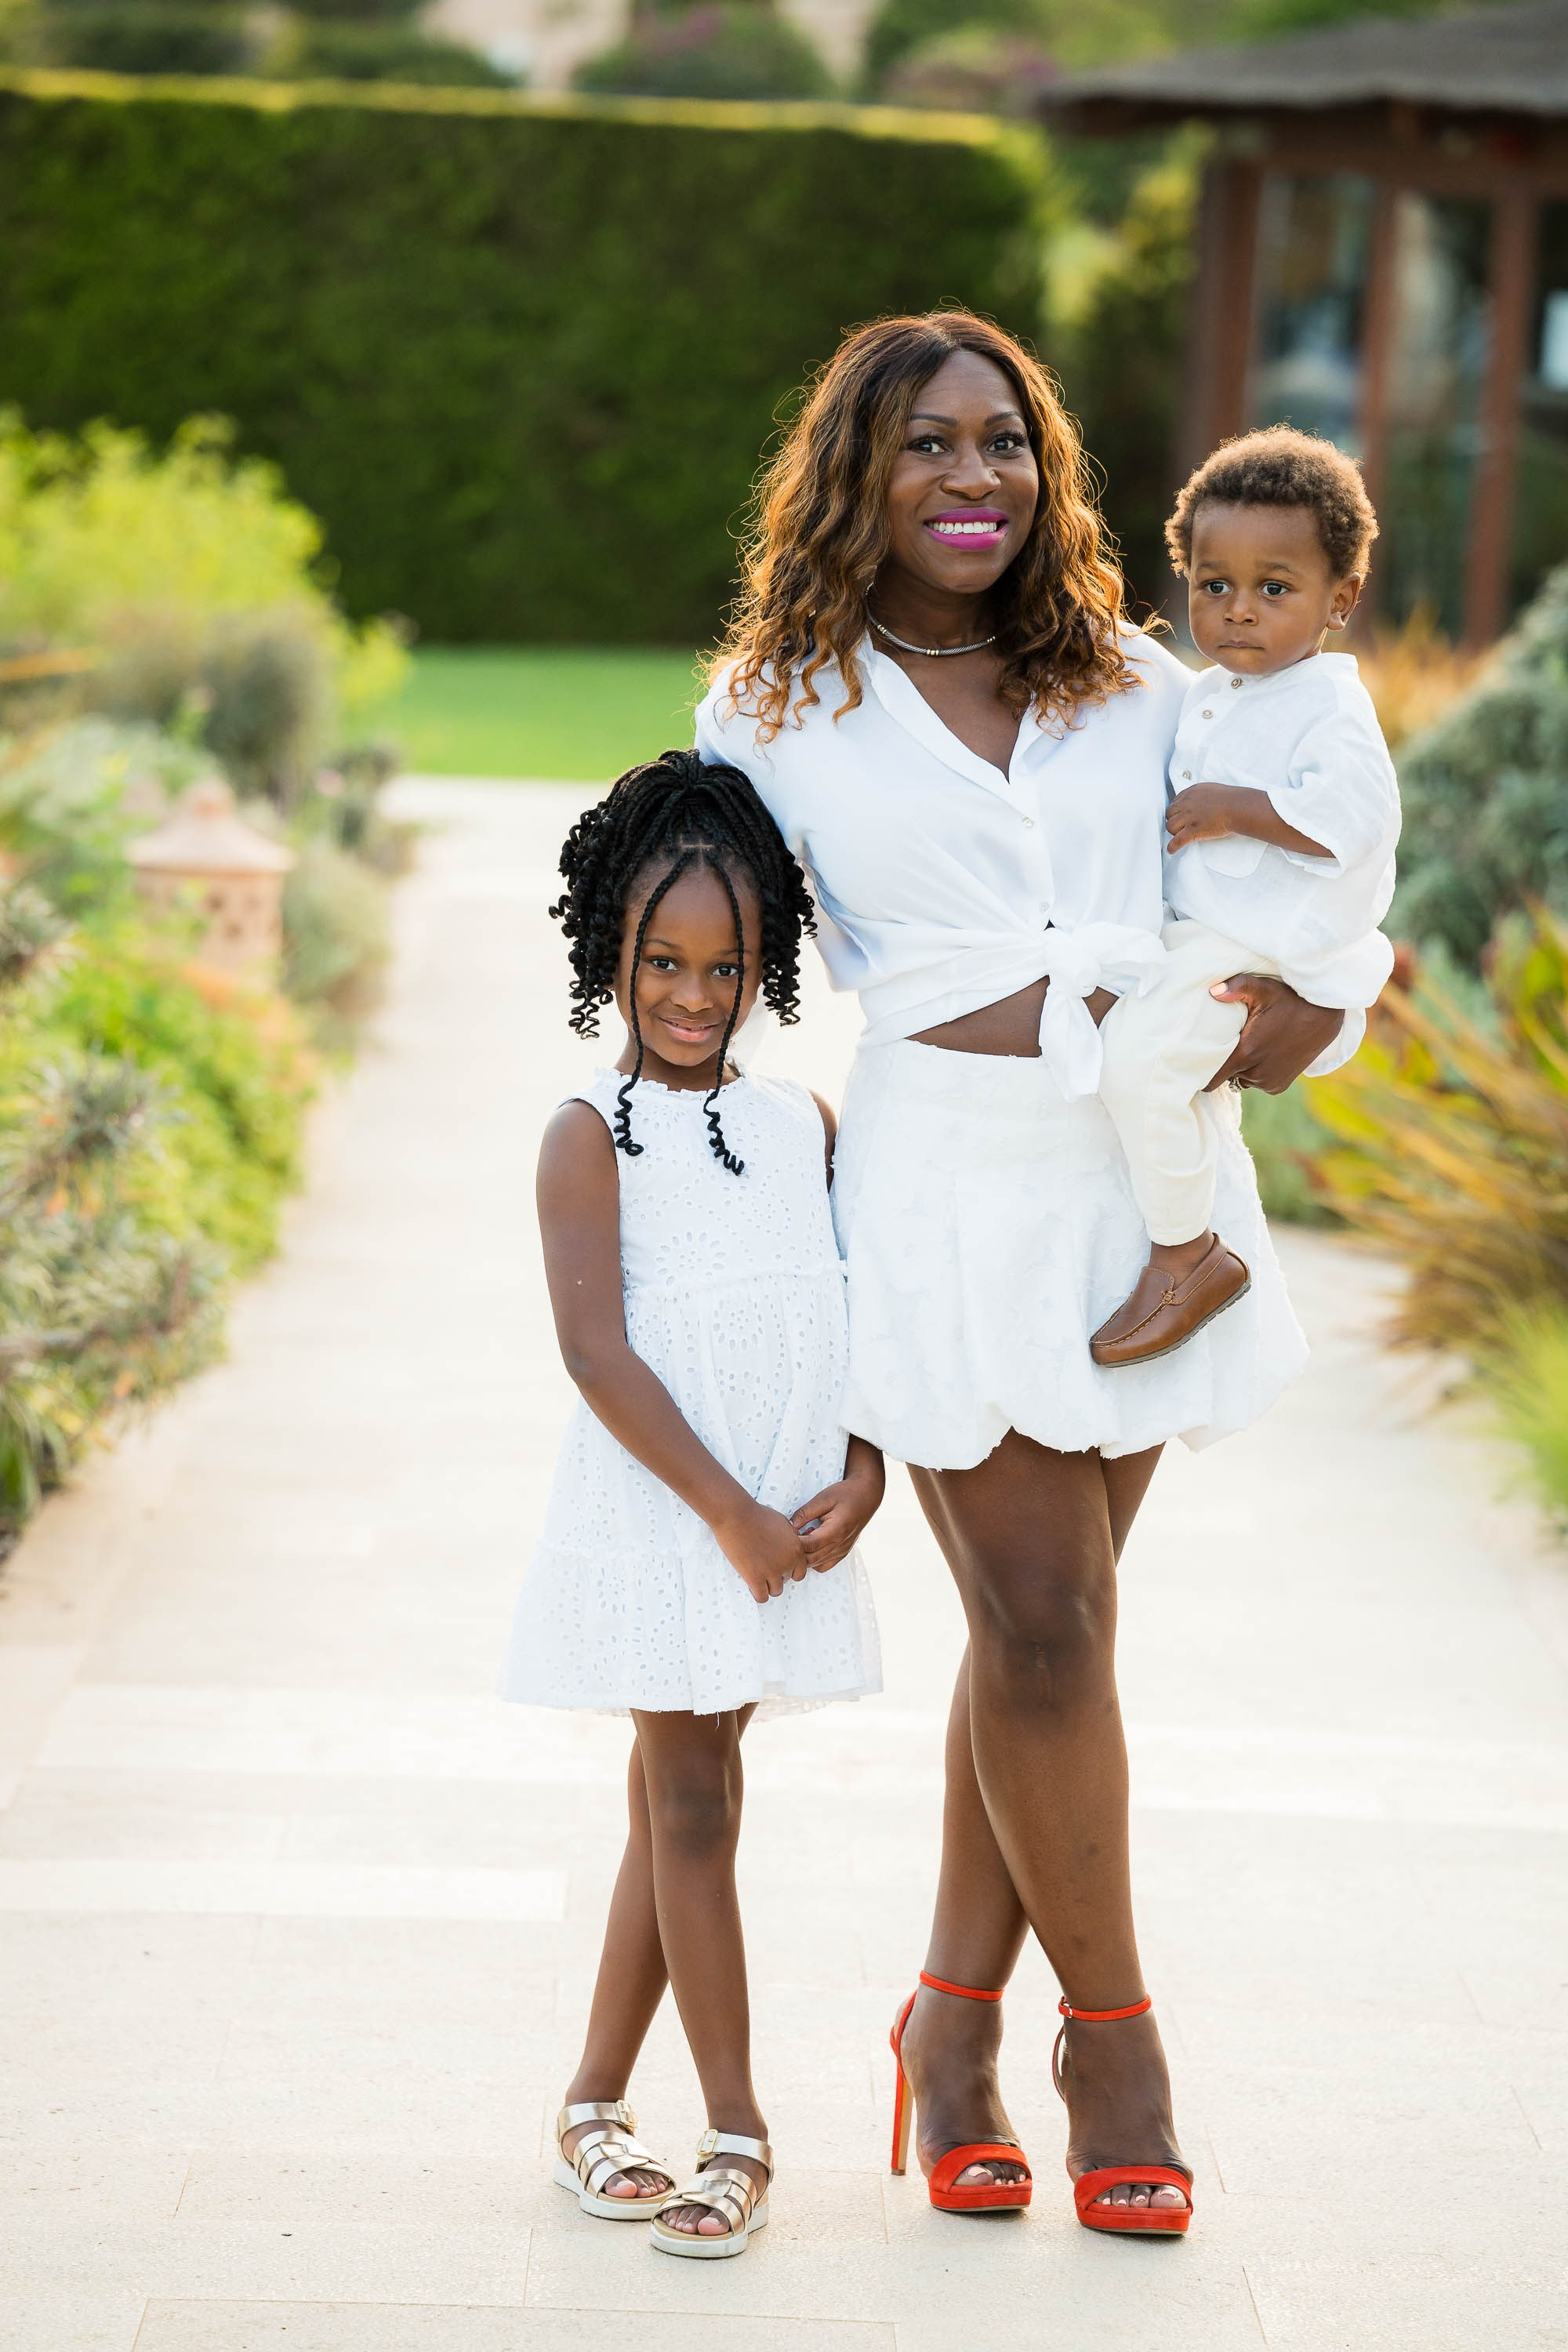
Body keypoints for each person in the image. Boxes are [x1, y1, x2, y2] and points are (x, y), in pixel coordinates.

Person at [696, 312, 1356, 2234]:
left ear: (1044, 465)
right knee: (1051, 1617)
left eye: (1000, 441)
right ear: (851, 474)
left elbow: (1303, 866)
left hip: (1139, 1190)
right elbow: (697, 960)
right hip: (937, 1188)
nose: (969, 479)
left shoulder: (1151, 684)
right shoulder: (771, 703)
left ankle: (949, 2024)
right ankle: (1115, 2047)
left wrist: (1313, 1007)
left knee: (1035, 1640)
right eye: (923, 447)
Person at [500, 750, 884, 2259]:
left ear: (765, 965)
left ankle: (593, 2103)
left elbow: (860, 1324)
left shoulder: (807, 1126)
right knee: (695, 1803)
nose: (691, 993)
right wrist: (729, 1512)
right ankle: (740, 2131)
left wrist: (865, 1472)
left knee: (684, 1808)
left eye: (724, 967)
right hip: (672, 1521)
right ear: (611, 947)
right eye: (662, 961)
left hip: (781, 1526)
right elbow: (597, 1352)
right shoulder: (587, 1134)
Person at [1091, 426, 1400, 1367]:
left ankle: (1185, 1256)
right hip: (1205, 938)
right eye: (1212, 584)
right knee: (1134, 1064)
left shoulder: (1327, 707)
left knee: (1138, 1071)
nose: (1236, 611)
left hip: (1256, 949)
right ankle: (1184, 1230)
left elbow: (1356, 823)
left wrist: (1242, 810)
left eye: (1274, 588)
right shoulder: (1218, 691)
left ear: (1337, 600)